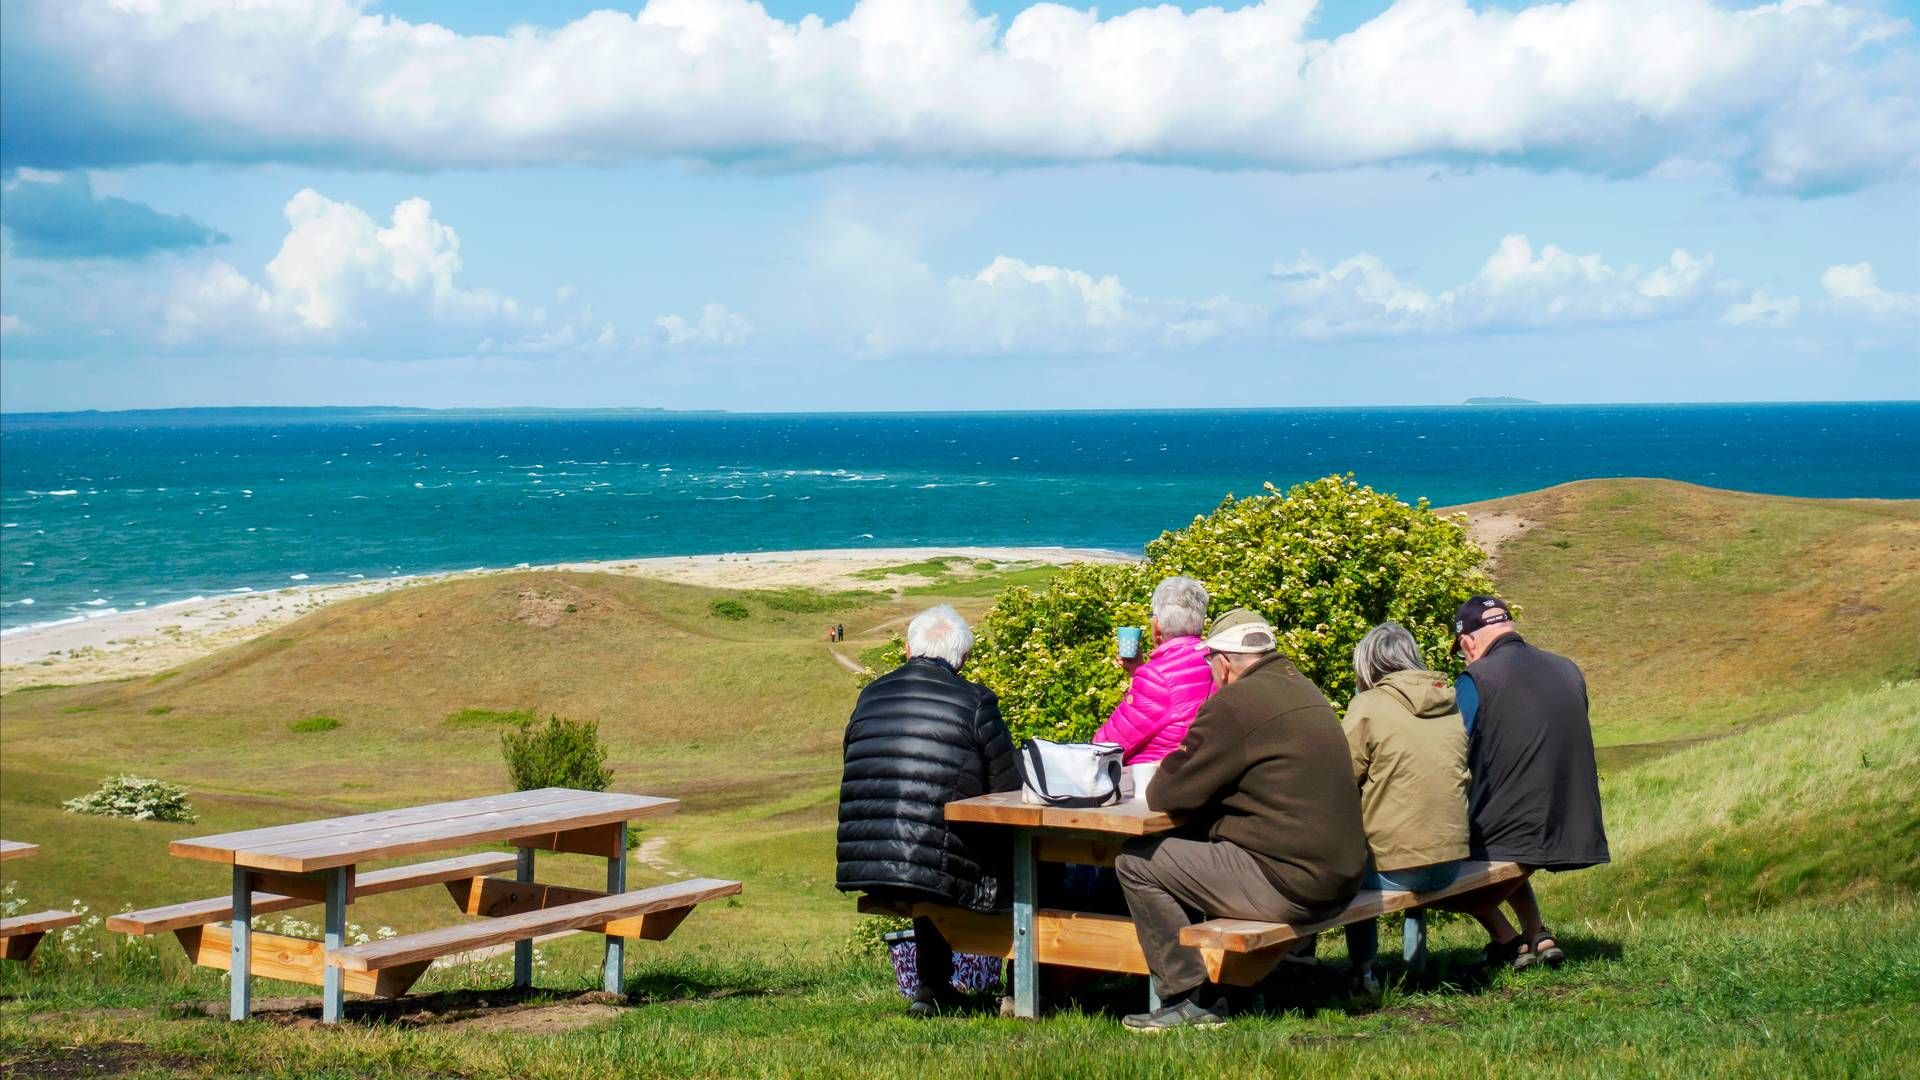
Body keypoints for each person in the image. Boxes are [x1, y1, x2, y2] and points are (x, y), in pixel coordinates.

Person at [1114, 609, 1369, 1032]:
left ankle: (1185, 996)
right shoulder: (1302, 687)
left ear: (1225, 663)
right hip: (1341, 873)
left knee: (1137, 861)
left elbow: (1167, 793)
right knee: (1199, 850)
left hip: (1294, 882)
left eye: (1209, 664)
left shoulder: (1234, 703)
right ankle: (1237, 984)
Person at [835, 604, 1022, 1015]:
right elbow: (1009, 790)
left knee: (931, 850)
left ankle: (931, 987)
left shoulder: (871, 694)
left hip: (869, 861)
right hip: (926, 865)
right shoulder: (976, 702)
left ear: (907, 649)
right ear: (964, 658)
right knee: (1020, 859)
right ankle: (1019, 990)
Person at [1446, 596, 1609, 971]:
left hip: (1513, 827)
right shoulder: (1568, 669)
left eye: (1462, 652)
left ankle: (1506, 939)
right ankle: (1538, 933)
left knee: (1439, 855)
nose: (1465, 659)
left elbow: (1449, 749)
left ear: (1468, 642)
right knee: (1502, 829)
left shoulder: (1476, 679)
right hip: (1572, 822)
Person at [1339, 622, 1469, 991]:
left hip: (1394, 869)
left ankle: (1363, 973)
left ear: (1367, 664)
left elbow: (1342, 777)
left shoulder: (1367, 705)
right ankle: (1416, 963)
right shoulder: (1448, 699)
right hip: (1450, 862)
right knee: (1411, 827)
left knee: (1346, 866)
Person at [1093, 576, 1216, 764]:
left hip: (1157, 778)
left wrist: (1142, 674)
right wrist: (1137, 671)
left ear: (1157, 625)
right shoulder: (1218, 661)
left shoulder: (1156, 676)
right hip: (1201, 770)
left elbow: (1105, 746)